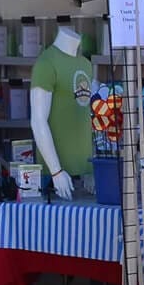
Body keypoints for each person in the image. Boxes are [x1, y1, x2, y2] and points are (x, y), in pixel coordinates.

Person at [30, 25, 94, 201]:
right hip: (55, 179)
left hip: (86, 176)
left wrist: (93, 168)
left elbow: (86, 116)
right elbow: (37, 120)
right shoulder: (46, 63)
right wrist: (56, 171)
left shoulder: (86, 64)